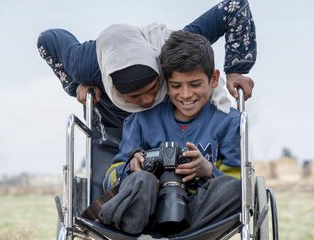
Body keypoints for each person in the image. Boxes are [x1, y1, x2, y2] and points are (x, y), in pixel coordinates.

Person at [37, 0, 256, 146]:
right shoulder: (84, 65)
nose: (147, 100)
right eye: (134, 96)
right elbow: (47, 40)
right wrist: (76, 86)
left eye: (153, 88)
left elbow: (234, 7)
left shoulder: (173, 49)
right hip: (117, 126)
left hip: (173, 123)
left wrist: (236, 70)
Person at [99, 30, 242, 236]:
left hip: (195, 215)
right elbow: (109, 180)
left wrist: (208, 170)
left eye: (194, 84)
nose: (185, 94)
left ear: (213, 79)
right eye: (176, 86)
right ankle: (140, 233)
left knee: (236, 190)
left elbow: (235, 182)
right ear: (166, 83)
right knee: (142, 181)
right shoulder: (142, 119)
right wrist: (131, 168)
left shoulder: (228, 121)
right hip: (146, 215)